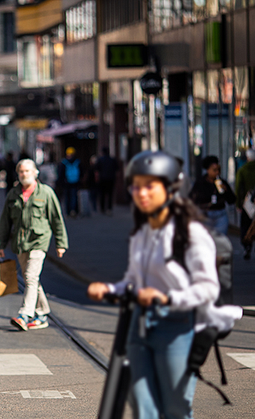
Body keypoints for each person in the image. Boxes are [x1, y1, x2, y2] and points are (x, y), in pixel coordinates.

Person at [87, 151, 241, 419]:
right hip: (139, 324)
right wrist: (111, 290)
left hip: (178, 327)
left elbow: (208, 288)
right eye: (136, 185)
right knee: (143, 408)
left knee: (175, 409)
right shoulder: (142, 232)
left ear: (169, 187)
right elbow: (135, 281)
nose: (141, 193)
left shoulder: (191, 233)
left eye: (150, 186)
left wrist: (167, 298)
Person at [0, 159, 68, 331]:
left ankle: (25, 314)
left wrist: (61, 243)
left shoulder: (46, 193)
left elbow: (56, 219)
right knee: (32, 279)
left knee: (30, 276)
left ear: (35, 173)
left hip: (39, 240)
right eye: (21, 171)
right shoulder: (13, 194)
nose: (24, 174)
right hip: (20, 243)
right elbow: (5, 221)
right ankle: (42, 313)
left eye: (27, 171)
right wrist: (0, 244)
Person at [189, 155, 236, 236]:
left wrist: (226, 191)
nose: (217, 172)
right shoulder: (200, 183)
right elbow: (192, 198)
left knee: (220, 242)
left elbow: (232, 200)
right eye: (214, 170)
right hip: (205, 215)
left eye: (218, 170)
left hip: (220, 215)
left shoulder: (222, 182)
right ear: (208, 170)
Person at [235, 149, 255, 260]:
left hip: (248, 203)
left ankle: (247, 245)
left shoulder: (242, 170)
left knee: (245, 225)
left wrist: (239, 203)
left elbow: (239, 188)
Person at [58, 147, 82, 217]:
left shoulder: (64, 163)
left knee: (67, 197)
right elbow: (82, 172)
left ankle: (68, 212)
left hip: (66, 183)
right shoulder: (77, 162)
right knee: (74, 196)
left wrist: (61, 182)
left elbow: (60, 173)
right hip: (75, 182)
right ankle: (74, 210)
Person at [96, 147, 119, 215]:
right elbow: (117, 170)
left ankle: (102, 208)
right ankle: (109, 208)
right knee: (110, 194)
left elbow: (97, 170)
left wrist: (97, 178)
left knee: (102, 194)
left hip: (102, 179)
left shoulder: (100, 160)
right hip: (111, 179)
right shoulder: (112, 159)